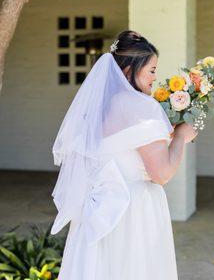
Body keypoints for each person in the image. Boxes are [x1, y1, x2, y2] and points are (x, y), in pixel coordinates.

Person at [50, 30, 197, 280]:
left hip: (101, 211)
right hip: (134, 210)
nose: (155, 77)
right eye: (151, 70)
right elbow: (161, 174)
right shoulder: (143, 107)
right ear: (129, 69)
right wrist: (182, 137)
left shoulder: (99, 108)